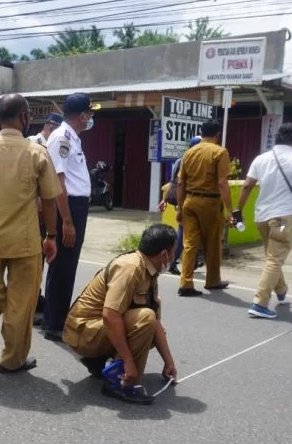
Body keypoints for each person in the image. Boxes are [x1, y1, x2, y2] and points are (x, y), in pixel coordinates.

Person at [0, 94, 62, 374]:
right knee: (21, 302)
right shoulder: (36, 152)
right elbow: (51, 199)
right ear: (25, 117)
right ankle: (12, 359)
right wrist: (51, 236)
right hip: (25, 242)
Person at [63, 224, 179, 404]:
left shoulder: (149, 271)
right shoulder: (130, 268)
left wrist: (169, 362)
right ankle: (121, 383)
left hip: (98, 330)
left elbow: (157, 324)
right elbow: (110, 315)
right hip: (83, 333)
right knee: (145, 319)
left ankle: (98, 359)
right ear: (164, 254)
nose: (175, 256)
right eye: (174, 251)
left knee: (152, 326)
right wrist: (129, 361)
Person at [236, 123, 292, 319]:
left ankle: (281, 289)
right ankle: (260, 302)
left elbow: (247, 186)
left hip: (261, 216)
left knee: (272, 256)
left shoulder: (261, 159)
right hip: (282, 217)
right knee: (274, 258)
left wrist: (238, 210)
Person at [42, 93, 98, 342]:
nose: (90, 119)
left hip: (76, 206)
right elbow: (58, 182)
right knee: (62, 265)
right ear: (82, 115)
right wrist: (66, 221)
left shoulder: (72, 138)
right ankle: (54, 323)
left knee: (68, 265)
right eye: (89, 113)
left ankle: (57, 318)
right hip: (68, 207)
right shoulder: (61, 138)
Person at [175, 119, 235, 297]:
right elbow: (223, 183)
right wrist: (230, 210)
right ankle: (212, 280)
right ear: (217, 135)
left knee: (189, 244)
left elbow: (180, 183)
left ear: (201, 133)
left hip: (189, 201)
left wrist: (179, 207)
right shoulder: (219, 152)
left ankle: (185, 283)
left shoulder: (189, 153)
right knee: (213, 243)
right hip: (210, 203)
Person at [29, 111, 63, 327]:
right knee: (34, 262)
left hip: (48, 212)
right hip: (33, 214)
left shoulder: (53, 145)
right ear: (50, 127)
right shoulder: (32, 144)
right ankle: (29, 308)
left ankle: (36, 300)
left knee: (42, 261)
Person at [158, 136, 204, 275]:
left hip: (184, 202)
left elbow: (172, 182)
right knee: (184, 233)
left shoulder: (180, 160)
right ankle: (173, 263)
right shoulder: (193, 162)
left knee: (191, 233)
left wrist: (164, 200)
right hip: (188, 202)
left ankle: (193, 261)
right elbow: (177, 183)